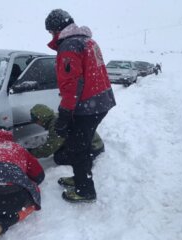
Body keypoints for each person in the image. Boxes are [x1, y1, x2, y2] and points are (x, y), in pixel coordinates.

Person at [45, 9, 116, 203]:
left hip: (87, 106)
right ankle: (79, 177)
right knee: (80, 145)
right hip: (101, 102)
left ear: (56, 29)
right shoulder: (88, 41)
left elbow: (72, 84)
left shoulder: (69, 46)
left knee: (78, 148)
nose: (51, 36)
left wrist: (65, 114)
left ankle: (85, 190)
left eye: (51, 32)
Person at [29, 104, 105, 165]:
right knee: (61, 149)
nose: (36, 123)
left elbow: (50, 148)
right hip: (93, 144)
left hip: (93, 148)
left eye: (36, 120)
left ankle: (84, 161)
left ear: (42, 118)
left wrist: (31, 153)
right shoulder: (57, 117)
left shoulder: (56, 125)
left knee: (59, 158)